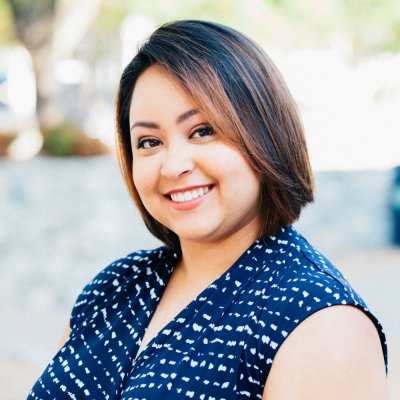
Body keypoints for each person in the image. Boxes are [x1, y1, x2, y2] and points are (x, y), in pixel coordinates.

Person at [28, 20, 388, 399]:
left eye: (202, 131)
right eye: (149, 141)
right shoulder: (113, 289)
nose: (173, 166)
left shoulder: (321, 322)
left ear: (265, 135)